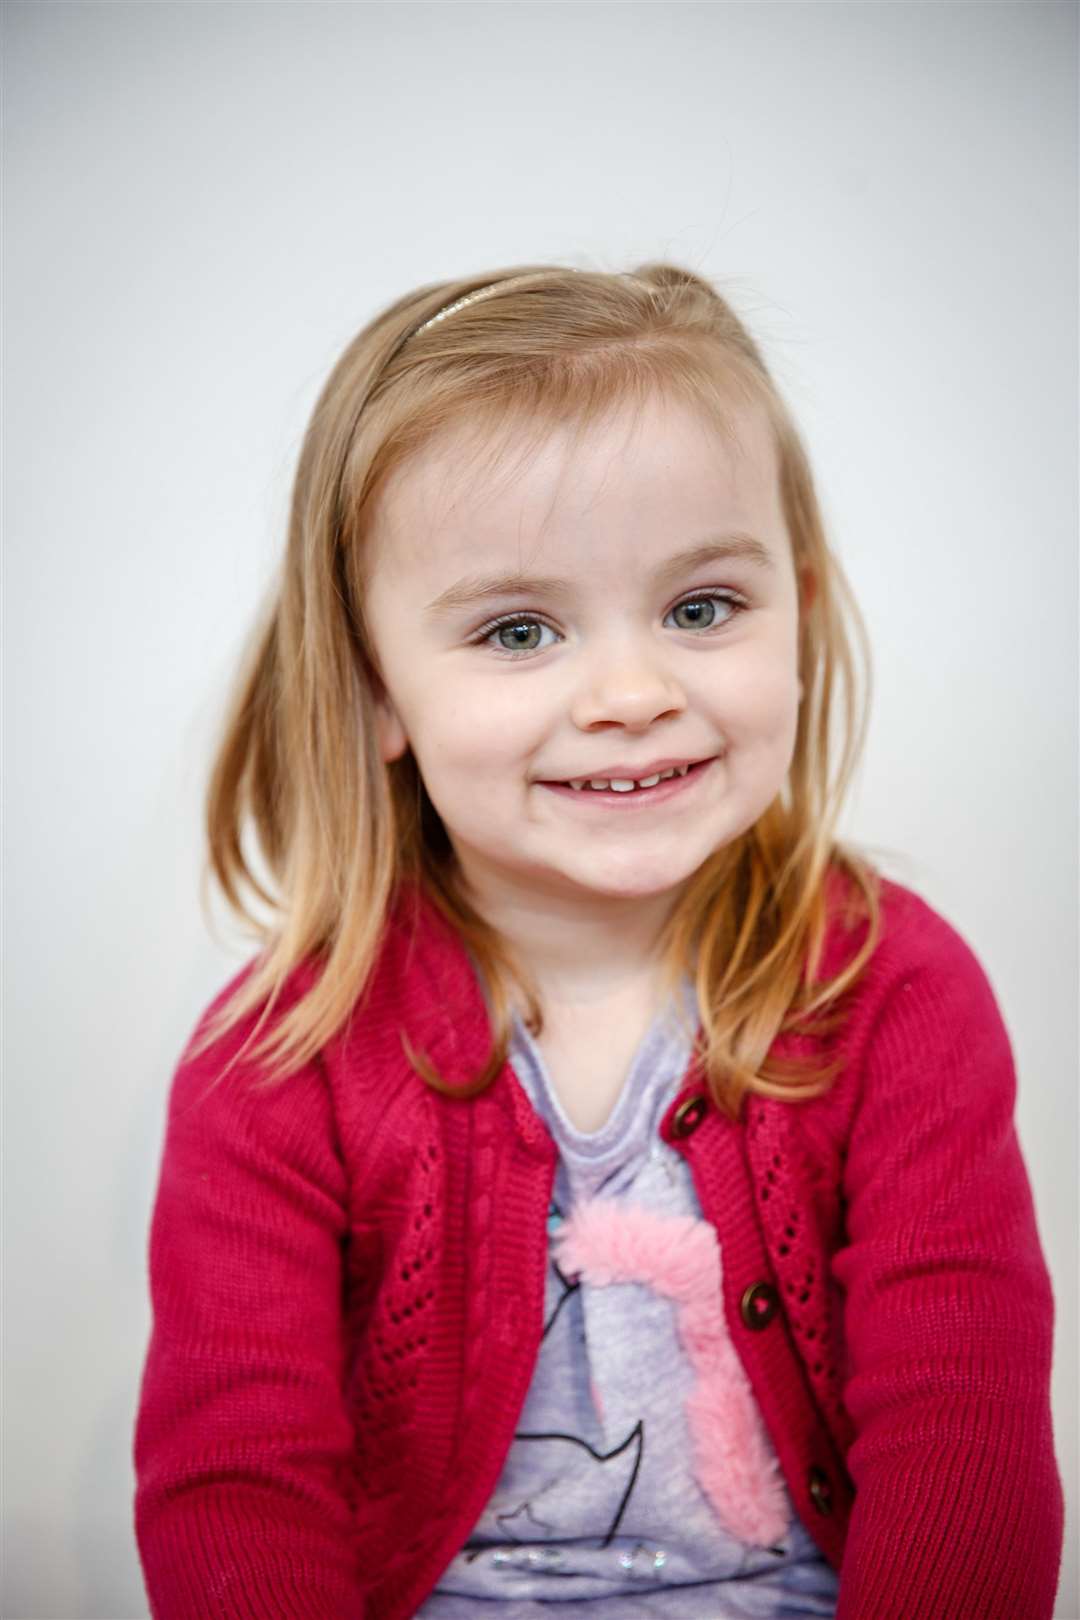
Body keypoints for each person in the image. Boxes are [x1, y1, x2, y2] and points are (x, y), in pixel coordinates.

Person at [132, 264, 1064, 1620]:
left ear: (797, 612)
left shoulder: (894, 995)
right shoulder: (280, 1060)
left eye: (701, 608)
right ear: (376, 686)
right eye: (521, 630)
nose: (632, 694)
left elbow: (961, 1435)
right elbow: (238, 1487)